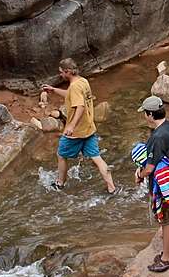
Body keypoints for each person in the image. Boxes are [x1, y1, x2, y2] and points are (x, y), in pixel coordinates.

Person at [41, 58, 116, 193]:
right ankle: (112, 187)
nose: (60, 75)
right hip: (89, 129)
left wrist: (71, 126)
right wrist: (54, 89)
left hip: (76, 132)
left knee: (61, 154)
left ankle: (60, 183)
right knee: (97, 158)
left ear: (68, 71)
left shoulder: (75, 86)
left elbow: (80, 106)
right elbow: (71, 95)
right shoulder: (82, 81)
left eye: (61, 72)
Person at [134, 94, 169, 272]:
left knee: (166, 219)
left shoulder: (157, 137)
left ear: (150, 114)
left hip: (163, 186)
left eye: (145, 114)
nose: (144, 116)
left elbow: (149, 168)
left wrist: (140, 174)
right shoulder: (168, 126)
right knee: (166, 218)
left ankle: (167, 258)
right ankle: (168, 252)